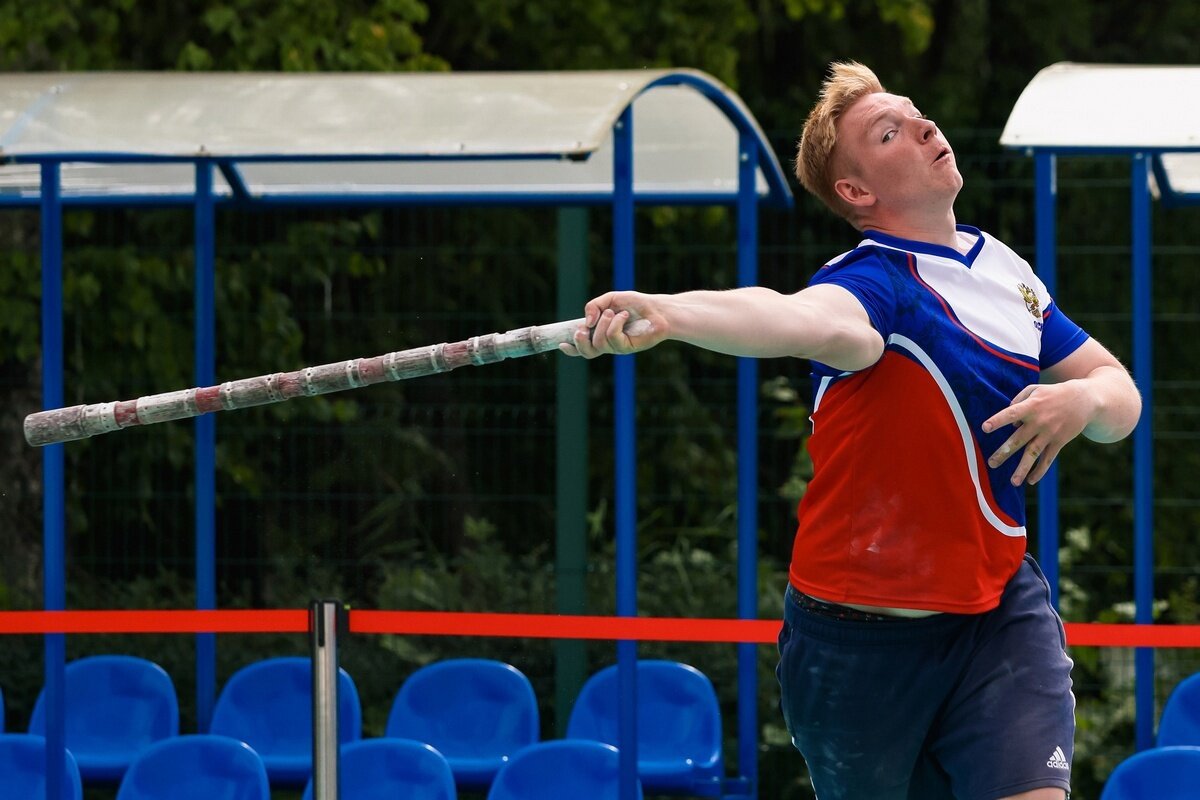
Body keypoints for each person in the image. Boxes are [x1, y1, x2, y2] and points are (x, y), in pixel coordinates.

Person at [559, 61, 1142, 800]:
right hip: (856, 643)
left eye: (916, 112)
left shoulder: (1004, 270)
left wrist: (1083, 402)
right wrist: (674, 315)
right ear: (857, 192)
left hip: (997, 614)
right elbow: (795, 317)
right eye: (891, 132)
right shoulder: (873, 285)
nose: (926, 127)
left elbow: (1120, 395)